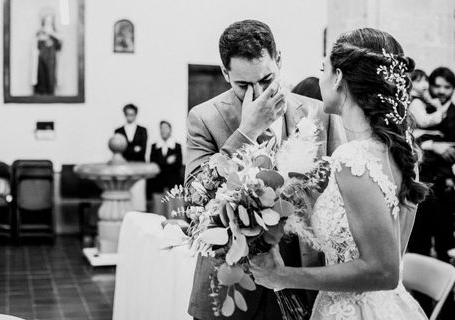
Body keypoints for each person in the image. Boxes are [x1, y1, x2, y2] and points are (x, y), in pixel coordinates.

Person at [249, 28, 428, 320]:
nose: (320, 78)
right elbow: (391, 255)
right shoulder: (400, 153)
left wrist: (282, 275)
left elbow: (383, 271)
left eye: (323, 69)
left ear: (339, 78)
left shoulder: (352, 157)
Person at [186, 19, 345, 320]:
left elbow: (339, 196)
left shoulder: (320, 114)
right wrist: (247, 130)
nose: (258, 93)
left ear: (279, 60)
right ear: (225, 73)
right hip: (231, 281)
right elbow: (195, 198)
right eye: (243, 85)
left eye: (266, 79)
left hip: (303, 273)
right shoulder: (204, 118)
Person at [408, 67, 455, 262]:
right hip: (421, 183)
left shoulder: (453, 113)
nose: (442, 91)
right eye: (437, 86)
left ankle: (444, 289)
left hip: (445, 185)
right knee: (419, 243)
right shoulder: (419, 107)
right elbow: (406, 139)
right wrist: (432, 145)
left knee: (446, 242)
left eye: (447, 86)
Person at [408, 69, 450, 137]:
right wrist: (440, 112)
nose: (424, 84)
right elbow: (423, 122)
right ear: (410, 83)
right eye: (418, 81)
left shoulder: (422, 98)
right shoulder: (416, 102)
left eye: (426, 80)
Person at [147, 120, 183, 198]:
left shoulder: (177, 146)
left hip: (173, 182)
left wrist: (161, 163)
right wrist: (167, 161)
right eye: (161, 128)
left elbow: (178, 165)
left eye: (166, 128)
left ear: (170, 130)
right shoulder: (154, 146)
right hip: (158, 182)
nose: (163, 130)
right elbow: (153, 164)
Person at [33, 9, 62, 95]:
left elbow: (59, 46)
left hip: (51, 59)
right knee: (41, 78)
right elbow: (36, 45)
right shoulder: (40, 32)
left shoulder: (55, 33)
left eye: (50, 20)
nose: (48, 22)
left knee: (50, 78)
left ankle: (50, 93)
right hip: (42, 58)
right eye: (47, 20)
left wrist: (52, 34)